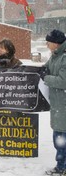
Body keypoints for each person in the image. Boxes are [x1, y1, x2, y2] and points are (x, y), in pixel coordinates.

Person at [42, 29, 66, 175]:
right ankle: (61, 166)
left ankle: (62, 168)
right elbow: (47, 69)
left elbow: (63, 82)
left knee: (61, 139)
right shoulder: (55, 57)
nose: (47, 45)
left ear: (56, 44)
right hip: (58, 106)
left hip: (63, 106)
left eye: (49, 42)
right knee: (59, 138)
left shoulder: (64, 58)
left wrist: (46, 78)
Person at [0, 38, 22, 140]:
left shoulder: (17, 64)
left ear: (9, 50)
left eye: (2, 48)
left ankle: (10, 143)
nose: (0, 50)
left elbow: (21, 81)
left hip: (12, 99)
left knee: (11, 123)